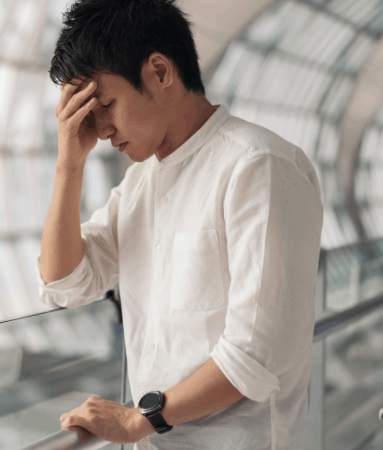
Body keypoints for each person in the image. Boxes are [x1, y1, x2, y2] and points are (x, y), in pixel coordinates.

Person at [37, 0, 323, 448]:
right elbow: (65, 282)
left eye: (106, 103)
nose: (103, 129)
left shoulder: (257, 165)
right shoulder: (138, 186)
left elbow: (256, 352)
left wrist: (138, 420)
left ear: (161, 71)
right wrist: (68, 165)